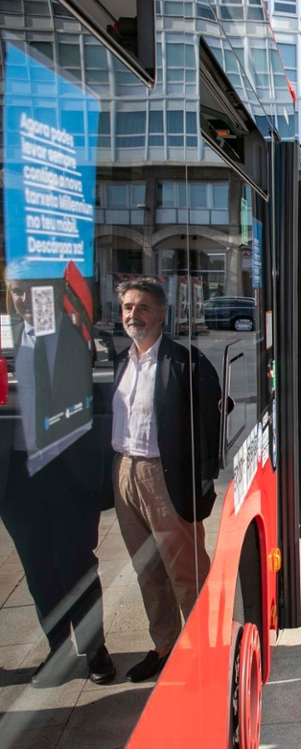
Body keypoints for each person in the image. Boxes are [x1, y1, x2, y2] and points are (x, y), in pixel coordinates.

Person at [0, 272, 112, 687]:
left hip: (67, 473)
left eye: (33, 292)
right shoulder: (6, 337)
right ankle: (58, 650)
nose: (25, 300)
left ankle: (95, 650)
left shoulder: (80, 337)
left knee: (76, 565)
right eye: (17, 293)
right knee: (38, 569)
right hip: (16, 476)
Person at [111, 278, 221, 683]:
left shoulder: (185, 362)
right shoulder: (123, 361)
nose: (132, 315)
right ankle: (165, 645)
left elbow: (212, 422)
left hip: (165, 474)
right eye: (127, 307)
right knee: (148, 569)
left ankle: (207, 649)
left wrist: (201, 481)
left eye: (141, 308)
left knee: (187, 570)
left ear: (161, 314)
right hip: (126, 471)